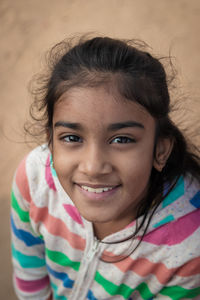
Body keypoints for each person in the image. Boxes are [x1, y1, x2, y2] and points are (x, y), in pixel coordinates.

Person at [11, 35, 200, 300]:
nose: (93, 166)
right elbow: (29, 273)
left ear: (160, 150)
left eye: (122, 140)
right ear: (50, 141)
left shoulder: (189, 248)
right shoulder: (34, 180)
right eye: (72, 138)